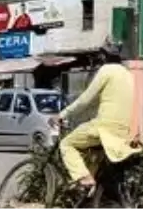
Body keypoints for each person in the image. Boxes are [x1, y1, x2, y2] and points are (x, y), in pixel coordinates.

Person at [56, 42, 136, 191]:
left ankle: (83, 178)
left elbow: (86, 99)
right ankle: (90, 194)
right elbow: (100, 102)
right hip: (122, 131)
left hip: (104, 128)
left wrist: (63, 114)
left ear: (104, 56)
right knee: (92, 156)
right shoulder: (128, 74)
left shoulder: (106, 70)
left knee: (66, 144)